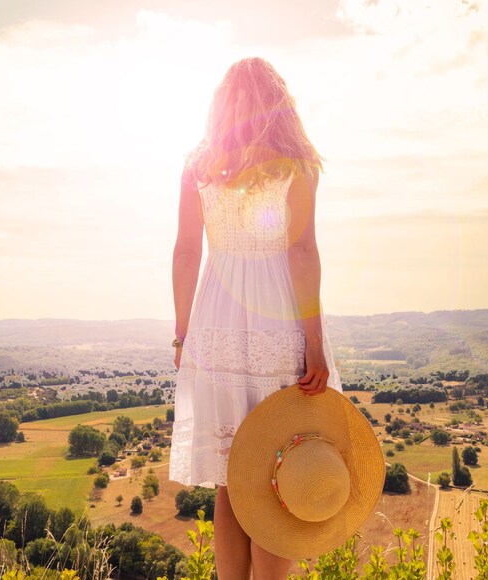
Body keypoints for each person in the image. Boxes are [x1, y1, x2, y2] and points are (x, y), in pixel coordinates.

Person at [168, 57, 344, 580]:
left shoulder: (199, 167)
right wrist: (314, 345)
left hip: (215, 325)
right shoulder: (297, 165)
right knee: (280, 467)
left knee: (232, 474)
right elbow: (303, 253)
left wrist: (183, 337)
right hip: (280, 323)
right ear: (279, 105)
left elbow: (184, 253)